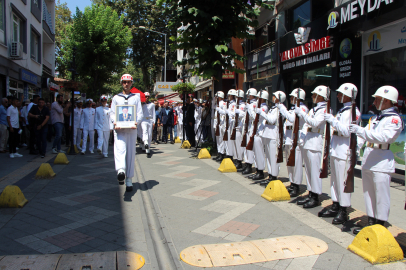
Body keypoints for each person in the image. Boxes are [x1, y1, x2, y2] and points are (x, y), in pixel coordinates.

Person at [350, 86, 403, 234]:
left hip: (381, 161)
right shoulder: (376, 118)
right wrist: (356, 146)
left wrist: (361, 131)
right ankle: (371, 221)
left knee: (381, 195)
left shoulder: (394, 119)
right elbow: (365, 136)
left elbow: (385, 138)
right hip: (369, 159)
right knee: (369, 194)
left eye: (377, 99)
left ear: (386, 100)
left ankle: (380, 225)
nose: (374, 102)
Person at [316, 83, 361, 224]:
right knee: (334, 180)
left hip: (344, 151)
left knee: (343, 182)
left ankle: (344, 210)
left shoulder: (354, 111)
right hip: (336, 149)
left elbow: (347, 131)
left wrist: (332, 120)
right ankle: (335, 204)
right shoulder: (343, 111)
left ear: (349, 95)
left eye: (341, 93)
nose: (338, 95)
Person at [295, 85, 330, 208]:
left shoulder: (324, 110)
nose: (313, 97)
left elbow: (315, 123)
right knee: (308, 171)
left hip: (316, 142)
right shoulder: (314, 110)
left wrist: (303, 115)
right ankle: (310, 193)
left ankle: (315, 197)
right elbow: (306, 126)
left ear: (321, 96)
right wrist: (302, 138)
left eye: (315, 95)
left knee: (315, 171)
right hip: (308, 141)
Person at [110, 74, 143, 191]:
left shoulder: (136, 98)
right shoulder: (116, 98)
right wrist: (115, 122)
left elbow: (139, 113)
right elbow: (113, 113)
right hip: (119, 130)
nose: (126, 84)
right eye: (124, 82)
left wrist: (136, 123)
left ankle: (129, 180)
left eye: (128, 82)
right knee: (119, 149)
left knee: (130, 153)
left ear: (131, 83)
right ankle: (121, 171)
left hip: (131, 130)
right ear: (121, 83)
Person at [279, 88, 308, 197]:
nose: (291, 98)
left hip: (296, 137)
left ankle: (296, 185)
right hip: (289, 136)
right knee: (289, 163)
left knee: (296, 163)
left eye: (293, 97)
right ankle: (292, 183)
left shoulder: (303, 108)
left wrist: (283, 110)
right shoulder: (293, 108)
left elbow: (293, 119)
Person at [256, 91, 285, 186]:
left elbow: (272, 120)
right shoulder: (274, 108)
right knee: (268, 157)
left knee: (273, 158)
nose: (272, 97)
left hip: (274, 136)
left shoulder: (280, 108)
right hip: (268, 134)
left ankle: (274, 176)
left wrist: (262, 113)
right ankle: (270, 175)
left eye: (274, 96)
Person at [249, 90, 269, 181]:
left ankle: (260, 171)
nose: (256, 99)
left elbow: (255, 117)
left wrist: (251, 110)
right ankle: (257, 170)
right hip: (257, 131)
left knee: (260, 153)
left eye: (258, 97)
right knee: (256, 152)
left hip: (260, 132)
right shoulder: (260, 107)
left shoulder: (264, 107)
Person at [240, 88, 258, 174]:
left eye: (248, 95)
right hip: (247, 126)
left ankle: (250, 166)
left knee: (250, 148)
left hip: (252, 126)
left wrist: (249, 108)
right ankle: (247, 164)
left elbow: (254, 117)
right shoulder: (249, 104)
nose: (247, 96)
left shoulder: (255, 104)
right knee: (246, 147)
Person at [231, 90, 245, 169]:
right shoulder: (236, 105)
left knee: (239, 145)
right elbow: (233, 114)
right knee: (235, 145)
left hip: (239, 127)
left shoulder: (242, 105)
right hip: (235, 126)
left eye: (237, 96)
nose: (236, 98)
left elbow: (243, 114)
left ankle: (239, 160)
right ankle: (236, 159)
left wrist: (238, 111)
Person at [213, 92, 226, 162]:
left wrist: (219, 110)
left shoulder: (223, 103)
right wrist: (214, 100)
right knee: (218, 140)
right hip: (217, 124)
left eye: (217, 97)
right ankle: (219, 153)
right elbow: (212, 106)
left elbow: (224, 112)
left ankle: (222, 154)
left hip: (221, 123)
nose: (216, 98)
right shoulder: (217, 103)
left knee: (221, 140)